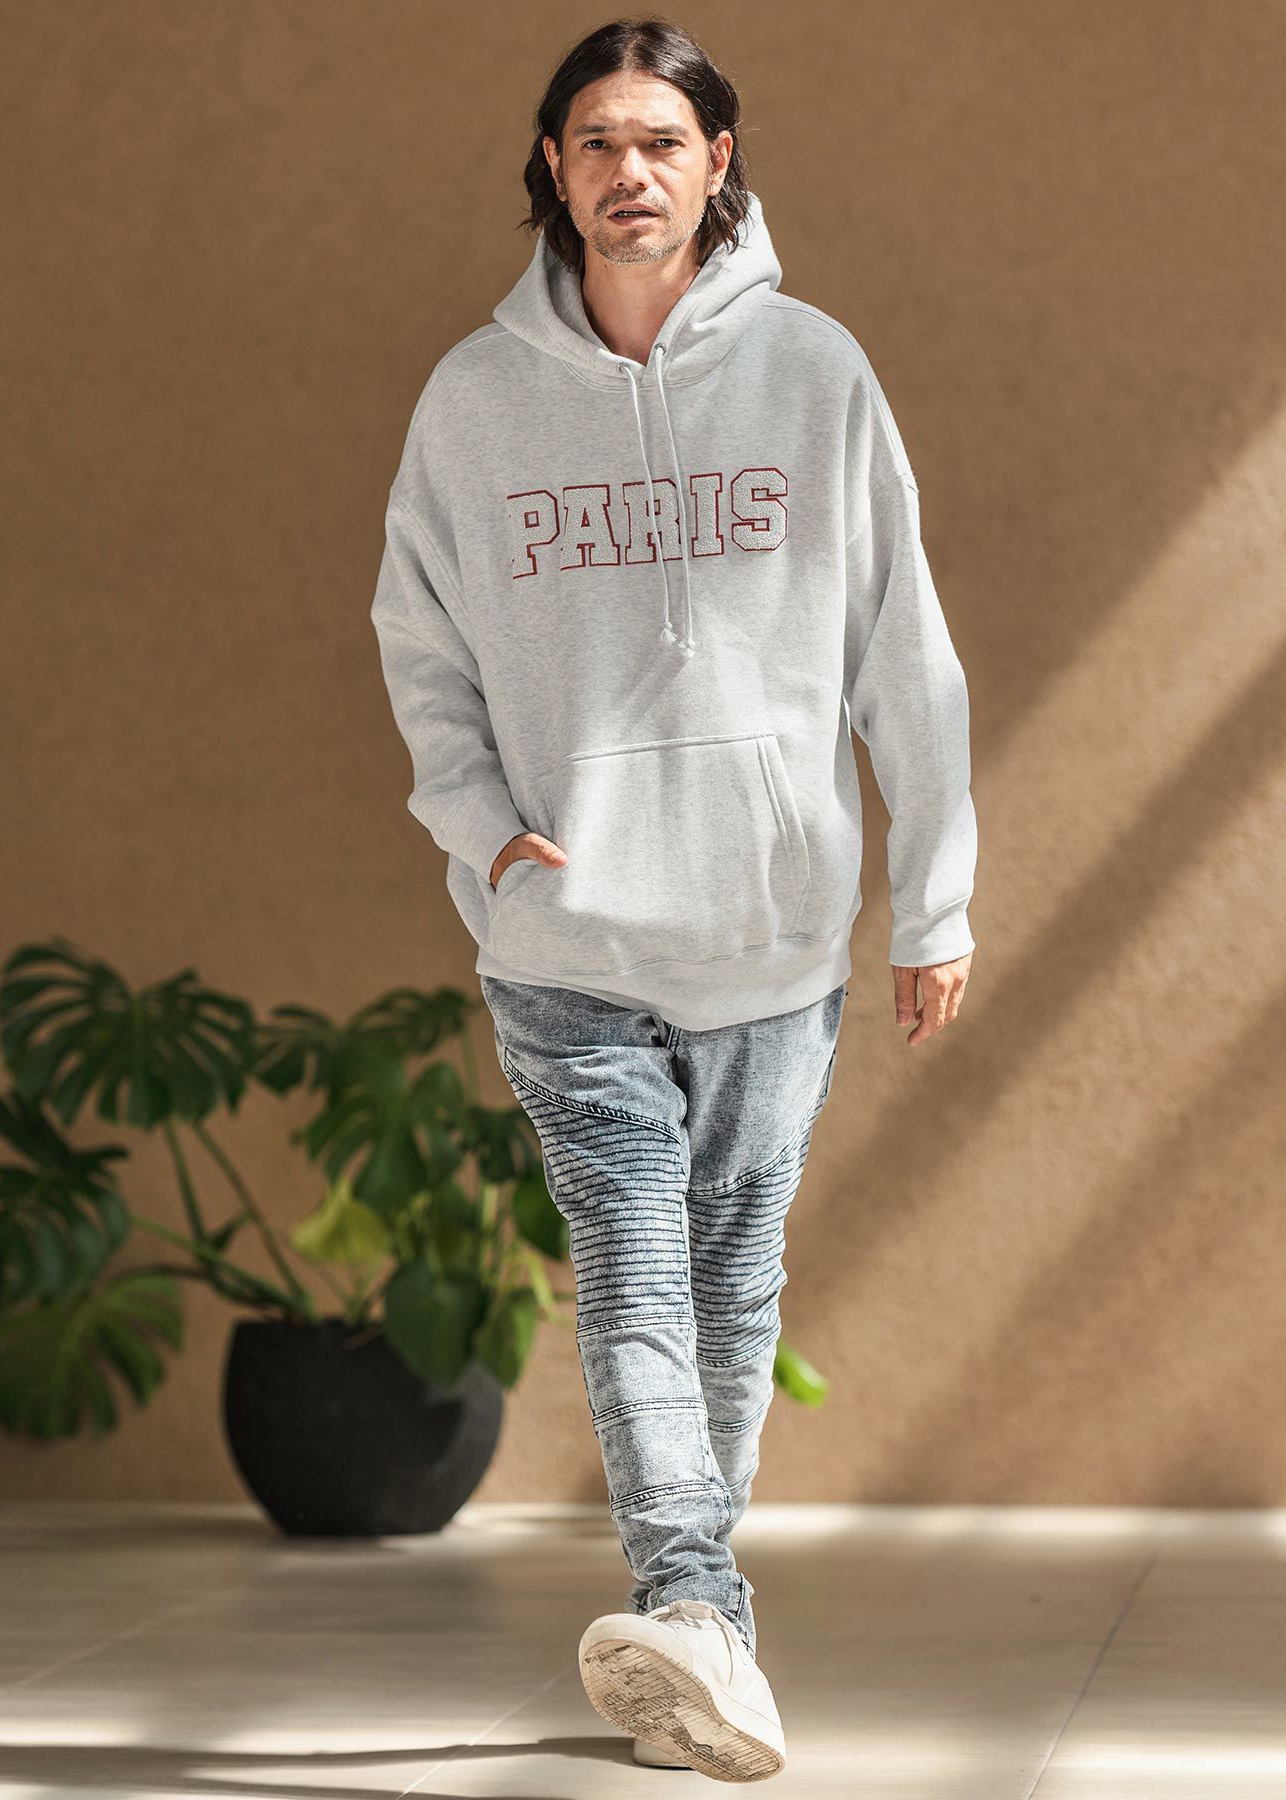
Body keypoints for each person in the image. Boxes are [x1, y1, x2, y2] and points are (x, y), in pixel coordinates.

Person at [369, 17, 977, 1784]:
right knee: (633, 1270)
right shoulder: (473, 402)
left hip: (774, 936)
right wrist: (486, 830)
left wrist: (934, 902)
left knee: (731, 1278)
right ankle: (698, 1602)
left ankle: (703, 1643)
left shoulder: (813, 371)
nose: (627, 171)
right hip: (565, 939)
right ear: (552, 173)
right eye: (593, 143)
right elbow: (418, 643)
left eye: (660, 141)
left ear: (718, 161)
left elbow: (904, 650)